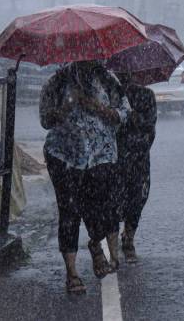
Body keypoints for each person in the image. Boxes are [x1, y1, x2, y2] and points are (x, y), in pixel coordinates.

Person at [40, 60, 130, 294]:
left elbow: (123, 113)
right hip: (64, 156)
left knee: (98, 207)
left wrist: (96, 107)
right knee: (69, 212)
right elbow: (45, 120)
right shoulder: (57, 81)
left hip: (101, 155)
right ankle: (72, 273)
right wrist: (65, 109)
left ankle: (96, 245)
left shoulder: (108, 80)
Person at [115, 73, 157, 264]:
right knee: (112, 198)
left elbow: (150, 127)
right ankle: (110, 237)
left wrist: (134, 117)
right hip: (112, 156)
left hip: (138, 156)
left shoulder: (146, 95)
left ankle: (129, 237)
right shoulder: (110, 94)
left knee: (137, 197)